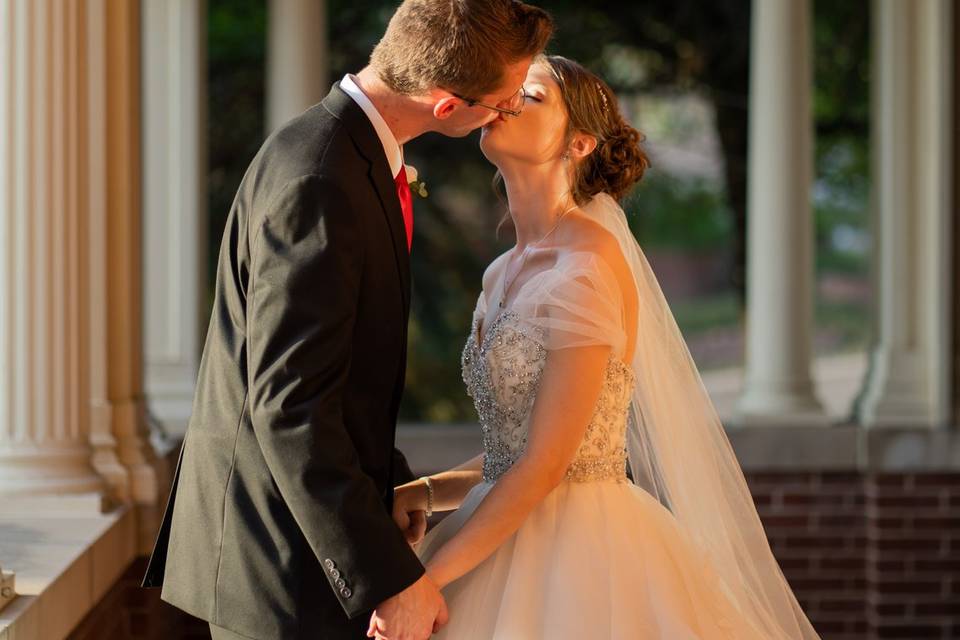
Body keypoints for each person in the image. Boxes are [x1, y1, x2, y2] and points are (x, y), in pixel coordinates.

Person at [139, 2, 553, 639]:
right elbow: (291, 407)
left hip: (304, 541)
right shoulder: (322, 180)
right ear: (449, 106)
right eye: (502, 104)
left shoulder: (341, 150)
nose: (506, 115)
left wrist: (390, 487)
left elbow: (344, 379)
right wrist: (388, 576)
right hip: (282, 567)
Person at [392, 55, 823, 639]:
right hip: (500, 530)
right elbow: (510, 454)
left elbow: (546, 466)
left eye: (534, 97)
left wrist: (429, 582)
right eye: (509, 91)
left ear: (579, 144)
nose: (508, 102)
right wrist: (422, 491)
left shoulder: (585, 266)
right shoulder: (500, 272)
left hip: (584, 561)